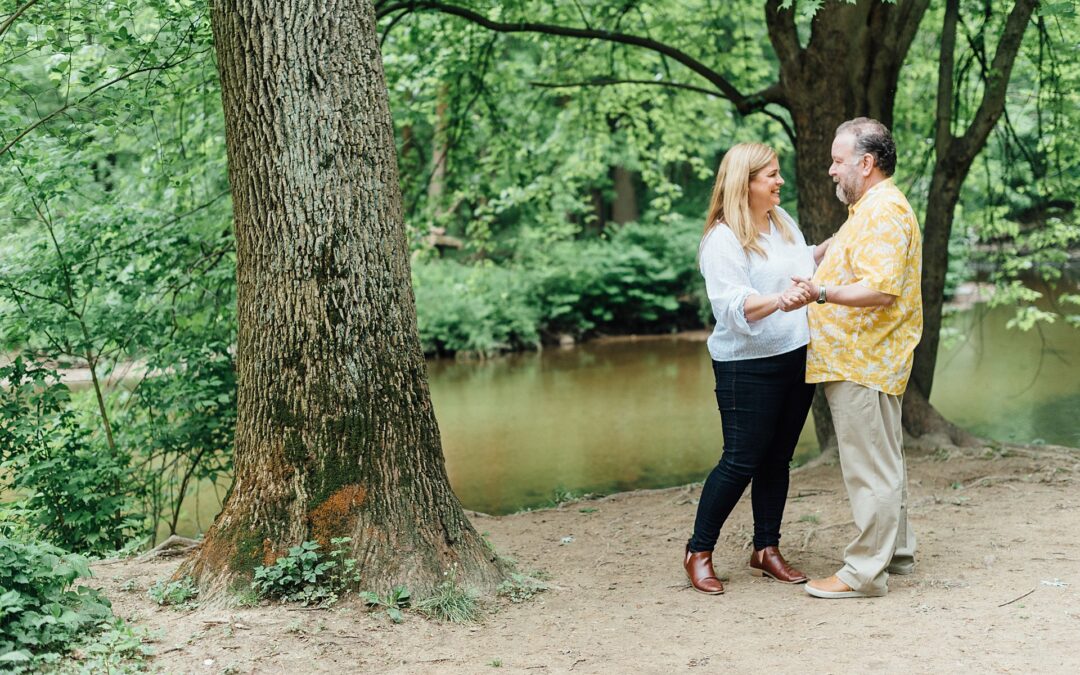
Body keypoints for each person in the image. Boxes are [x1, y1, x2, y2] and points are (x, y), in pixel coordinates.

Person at [684, 142, 830, 595]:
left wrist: (842, 240)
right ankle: (699, 551)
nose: (780, 181)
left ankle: (765, 549)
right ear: (744, 183)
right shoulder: (722, 239)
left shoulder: (781, 221)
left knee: (777, 460)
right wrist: (778, 301)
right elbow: (731, 306)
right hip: (745, 367)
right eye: (770, 175)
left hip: (795, 355)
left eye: (778, 173)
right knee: (740, 460)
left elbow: (805, 261)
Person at [792, 117, 922, 599]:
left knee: (869, 471)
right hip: (866, 359)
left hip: (863, 360)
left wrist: (818, 291)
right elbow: (853, 257)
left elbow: (880, 289)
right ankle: (898, 553)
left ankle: (864, 573)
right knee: (884, 464)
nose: (830, 170)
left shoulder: (882, 211)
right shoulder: (869, 210)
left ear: (866, 164)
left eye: (838, 161)